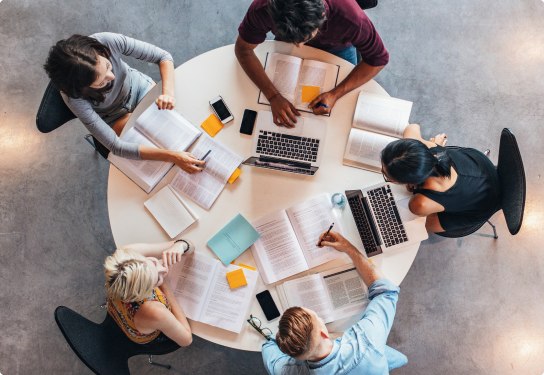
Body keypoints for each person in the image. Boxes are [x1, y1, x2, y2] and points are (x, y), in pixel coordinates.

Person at [43, 33, 204, 174]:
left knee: (181, 122)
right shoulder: (74, 97)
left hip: (140, 89)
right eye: (101, 82)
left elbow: (163, 57)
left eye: (107, 66)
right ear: (82, 89)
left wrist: (167, 93)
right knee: (153, 147)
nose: (111, 77)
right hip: (112, 116)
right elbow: (116, 146)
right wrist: (172, 157)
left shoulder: (106, 41)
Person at [261, 230, 407, 374]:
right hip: (373, 364)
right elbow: (386, 291)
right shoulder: (366, 340)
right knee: (395, 357)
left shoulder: (287, 371)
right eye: (317, 317)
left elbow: (269, 350)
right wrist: (349, 248)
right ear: (324, 333)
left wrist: (278, 339)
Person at [235, 0, 389, 127]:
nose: (299, 47)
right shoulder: (262, 7)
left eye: (305, 38)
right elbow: (243, 51)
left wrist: (335, 94)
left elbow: (378, 59)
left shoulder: (351, 18)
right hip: (284, 45)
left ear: (322, 15)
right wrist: (273, 96)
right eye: (294, 40)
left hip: (338, 48)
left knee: (340, 115)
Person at [381, 124, 501, 233]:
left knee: (414, 228)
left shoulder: (419, 204)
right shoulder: (429, 148)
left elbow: (418, 207)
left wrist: (415, 186)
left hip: (484, 206)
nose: (381, 171)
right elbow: (412, 127)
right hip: (481, 166)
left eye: (386, 176)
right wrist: (434, 146)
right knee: (442, 152)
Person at [104, 239, 194, 346]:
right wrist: (166, 286)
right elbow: (186, 340)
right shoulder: (156, 312)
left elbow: (189, 245)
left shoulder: (126, 254)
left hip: (116, 306)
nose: (164, 270)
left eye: (153, 262)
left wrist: (181, 245)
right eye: (157, 280)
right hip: (143, 330)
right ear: (145, 294)